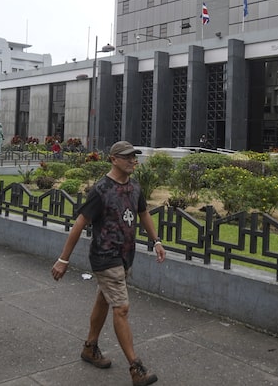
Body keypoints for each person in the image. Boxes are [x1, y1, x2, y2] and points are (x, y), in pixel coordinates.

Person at [51, 141, 165, 386]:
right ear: (113, 159)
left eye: (134, 157)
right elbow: (80, 223)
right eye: (126, 157)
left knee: (104, 299)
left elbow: (143, 213)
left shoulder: (135, 187)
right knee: (121, 308)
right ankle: (136, 368)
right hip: (105, 256)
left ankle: (90, 348)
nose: (132, 160)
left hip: (126, 256)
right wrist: (63, 259)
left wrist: (156, 241)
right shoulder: (101, 190)